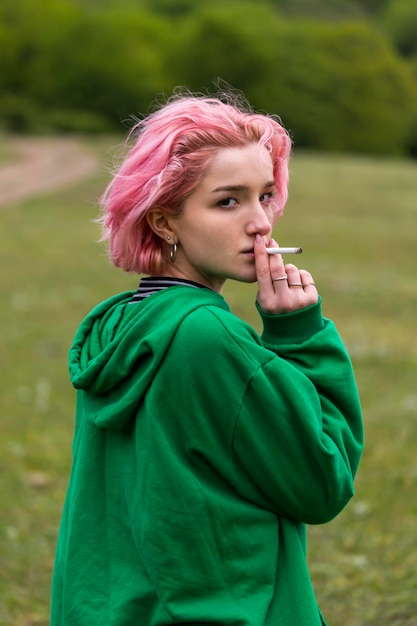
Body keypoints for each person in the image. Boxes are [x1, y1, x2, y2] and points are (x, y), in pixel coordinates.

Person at [51, 88, 363, 626]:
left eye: (266, 195)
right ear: (163, 222)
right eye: (227, 201)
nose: (261, 223)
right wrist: (301, 333)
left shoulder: (124, 324)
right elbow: (322, 479)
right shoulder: (206, 336)